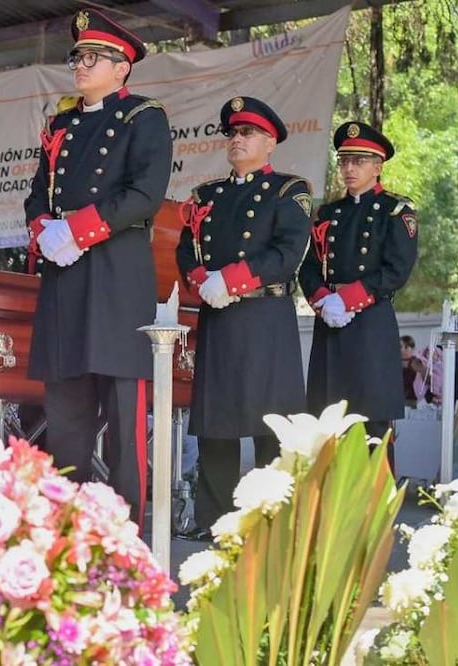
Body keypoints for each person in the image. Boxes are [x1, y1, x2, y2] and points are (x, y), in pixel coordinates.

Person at [24, 8, 171, 528]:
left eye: (94, 58)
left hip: (115, 278)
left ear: (122, 67)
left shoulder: (143, 117)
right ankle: (68, 530)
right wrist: (45, 230)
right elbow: (37, 195)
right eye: (78, 57)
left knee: (124, 418)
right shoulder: (60, 126)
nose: (81, 65)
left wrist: (78, 229)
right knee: (66, 417)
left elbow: (145, 194)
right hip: (65, 280)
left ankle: (126, 533)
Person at [175, 96, 312, 541]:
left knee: (270, 422)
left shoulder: (288, 191)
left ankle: (273, 523)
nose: (237, 139)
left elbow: (288, 252)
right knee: (217, 423)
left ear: (270, 143)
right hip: (219, 317)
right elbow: (186, 249)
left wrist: (232, 279)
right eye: (233, 132)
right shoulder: (207, 196)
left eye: (248, 132)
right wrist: (202, 279)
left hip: (264, 317)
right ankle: (214, 521)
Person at [300, 122, 418, 449]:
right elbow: (308, 269)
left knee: (372, 426)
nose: (349, 169)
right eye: (344, 161)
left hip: (370, 325)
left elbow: (397, 269)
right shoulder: (328, 213)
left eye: (359, 161)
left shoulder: (395, 211)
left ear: (378, 167)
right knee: (327, 425)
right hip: (330, 324)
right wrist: (323, 299)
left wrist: (348, 299)